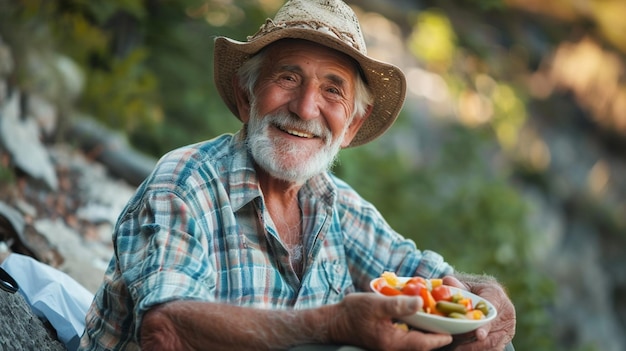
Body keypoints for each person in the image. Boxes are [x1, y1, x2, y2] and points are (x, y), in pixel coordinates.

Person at [78, 0, 516, 350]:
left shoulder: (335, 204)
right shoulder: (185, 181)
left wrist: (485, 296)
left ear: (352, 127)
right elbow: (166, 331)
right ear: (246, 96)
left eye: (332, 89)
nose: (306, 108)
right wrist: (333, 325)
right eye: (288, 78)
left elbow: (424, 276)